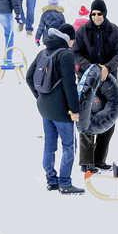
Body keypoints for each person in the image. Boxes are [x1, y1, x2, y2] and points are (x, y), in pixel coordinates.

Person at [27, 24, 84, 194]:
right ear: (68, 39)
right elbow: (69, 85)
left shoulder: (43, 52)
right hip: (61, 111)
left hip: (45, 109)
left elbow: (29, 77)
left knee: (49, 145)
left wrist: (40, 97)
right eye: (73, 40)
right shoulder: (65, 54)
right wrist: (75, 110)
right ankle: (65, 183)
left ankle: (51, 180)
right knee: (69, 146)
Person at [74, 0, 118, 173]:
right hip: (87, 80)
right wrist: (93, 69)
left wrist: (107, 68)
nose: (96, 17)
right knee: (87, 117)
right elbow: (76, 53)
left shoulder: (114, 31)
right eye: (93, 14)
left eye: (99, 14)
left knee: (108, 118)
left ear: (105, 14)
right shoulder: (82, 32)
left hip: (109, 81)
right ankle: (86, 162)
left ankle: (99, 159)